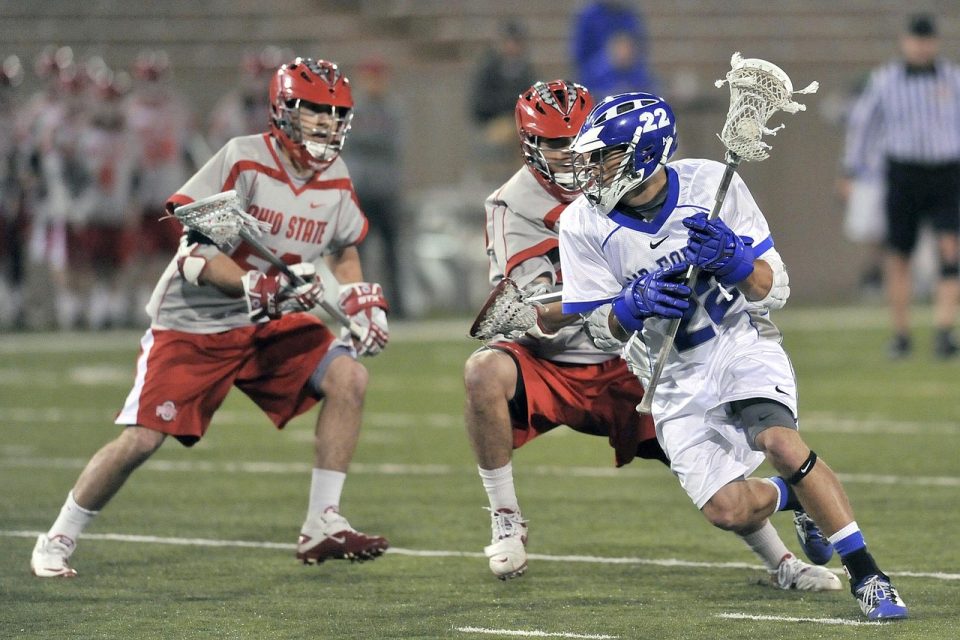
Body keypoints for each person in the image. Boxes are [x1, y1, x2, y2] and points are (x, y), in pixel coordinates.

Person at [465, 81, 839, 594]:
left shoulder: (634, 176)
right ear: (530, 145)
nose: (575, 154)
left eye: (581, 138)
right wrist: (613, 300)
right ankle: (506, 517)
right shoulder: (515, 204)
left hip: (633, 348)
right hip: (564, 353)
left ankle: (781, 558)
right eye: (557, 143)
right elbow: (540, 311)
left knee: (705, 472)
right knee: (484, 370)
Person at [30, 57, 391, 578]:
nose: (326, 125)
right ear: (284, 111)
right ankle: (58, 536)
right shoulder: (242, 159)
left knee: (348, 375)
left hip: (268, 321)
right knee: (142, 439)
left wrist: (359, 299)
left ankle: (322, 523)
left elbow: (344, 246)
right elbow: (194, 256)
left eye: (335, 115)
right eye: (314, 112)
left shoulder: (334, 175)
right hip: (197, 323)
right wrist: (252, 283)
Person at [559, 92, 908, 620]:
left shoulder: (709, 185)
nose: (592, 170)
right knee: (729, 510)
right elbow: (598, 333)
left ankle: (868, 576)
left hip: (738, 342)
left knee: (780, 443)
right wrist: (631, 307)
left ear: (643, 153)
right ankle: (796, 499)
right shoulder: (582, 223)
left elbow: (775, 289)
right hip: (670, 374)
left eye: (603, 156)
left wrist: (736, 262)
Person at [842, 12, 960, 359]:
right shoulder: (886, 80)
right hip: (904, 172)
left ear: (935, 43)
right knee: (899, 256)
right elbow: (863, 126)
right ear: (905, 42)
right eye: (916, 40)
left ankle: (944, 330)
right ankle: (901, 334)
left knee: (950, 250)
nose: (922, 47)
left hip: (946, 172)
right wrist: (850, 170)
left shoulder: (952, 78)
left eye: (927, 41)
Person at [340, 56, 407, 317]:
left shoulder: (394, 108)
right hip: (361, 190)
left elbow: (394, 145)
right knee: (359, 255)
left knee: (392, 255)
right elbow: (348, 142)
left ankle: (398, 307)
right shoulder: (352, 107)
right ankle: (361, 305)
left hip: (386, 190)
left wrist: (367, 141)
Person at [468, 19, 538, 183]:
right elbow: (479, 104)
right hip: (492, 123)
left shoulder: (526, 71)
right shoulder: (488, 69)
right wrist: (509, 105)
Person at [571, 1, 657, 96]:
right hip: (596, 78)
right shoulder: (589, 15)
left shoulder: (629, 15)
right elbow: (579, 55)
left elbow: (641, 49)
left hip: (631, 76)